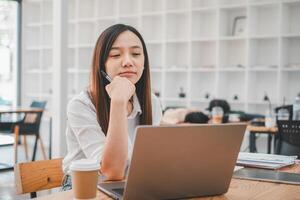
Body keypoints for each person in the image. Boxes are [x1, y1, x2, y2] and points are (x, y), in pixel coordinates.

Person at [61, 24, 162, 190]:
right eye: (115, 55)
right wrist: (118, 102)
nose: (128, 62)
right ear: (101, 66)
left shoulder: (152, 102)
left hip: (130, 184)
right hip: (83, 187)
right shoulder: (80, 105)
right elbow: (112, 172)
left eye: (136, 54)